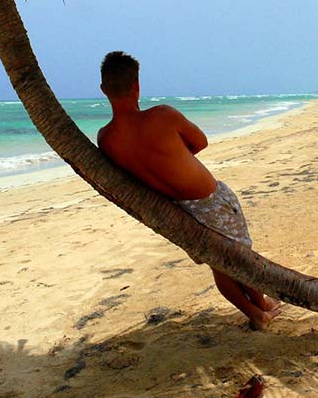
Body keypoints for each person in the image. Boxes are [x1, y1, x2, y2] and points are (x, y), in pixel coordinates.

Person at [97, 51, 282, 330]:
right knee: (241, 257)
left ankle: (258, 312)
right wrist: (179, 157)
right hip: (209, 199)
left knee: (219, 265)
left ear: (103, 90)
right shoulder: (162, 116)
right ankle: (261, 309)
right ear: (137, 86)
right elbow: (201, 142)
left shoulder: (106, 138)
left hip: (177, 210)